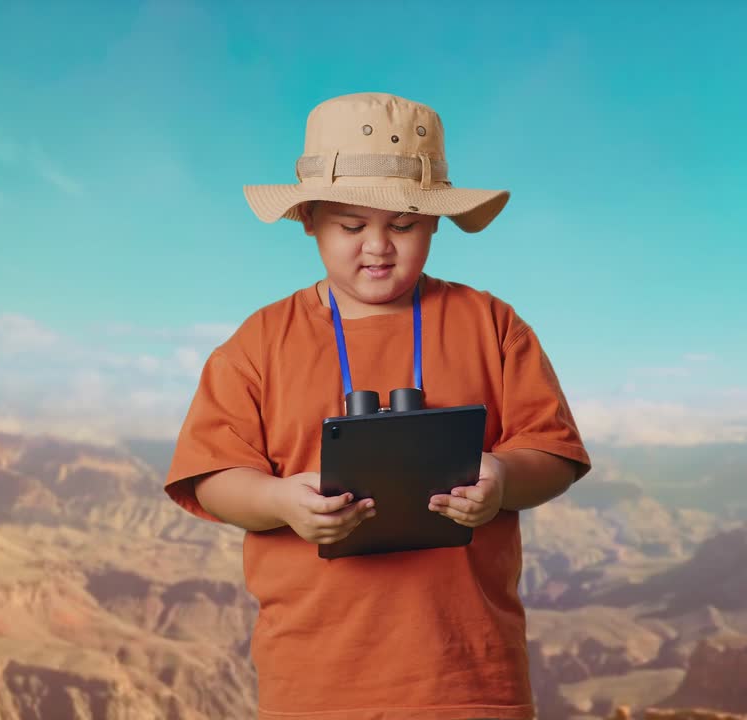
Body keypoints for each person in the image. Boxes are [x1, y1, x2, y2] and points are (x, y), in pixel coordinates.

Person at [165, 92, 591, 720]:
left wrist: (500, 477)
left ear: (436, 222)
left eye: (403, 225)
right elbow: (212, 476)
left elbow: (552, 452)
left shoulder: (492, 325)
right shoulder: (258, 343)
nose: (378, 246)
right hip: (314, 682)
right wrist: (280, 501)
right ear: (309, 218)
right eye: (350, 225)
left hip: (470, 680)